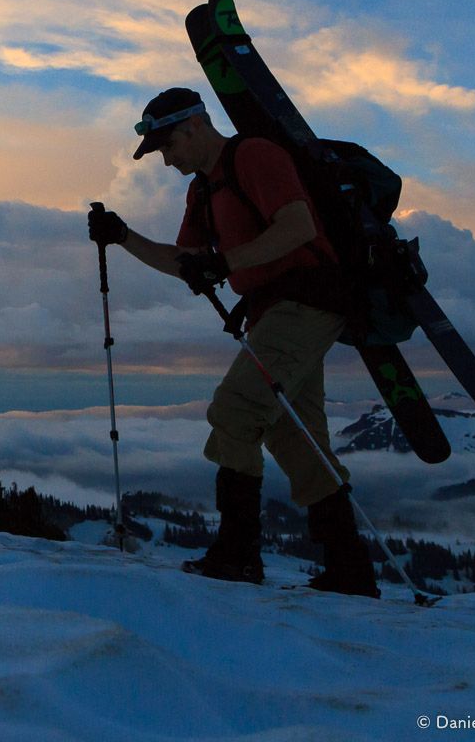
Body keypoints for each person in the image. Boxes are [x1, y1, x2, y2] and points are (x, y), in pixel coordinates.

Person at [87, 87, 378, 597]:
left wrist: (225, 262)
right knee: (292, 434)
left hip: (307, 301)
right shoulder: (203, 191)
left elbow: (298, 226)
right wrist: (122, 235)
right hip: (274, 312)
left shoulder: (255, 156)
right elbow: (186, 262)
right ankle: (350, 570)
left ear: (195, 126)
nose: (167, 160)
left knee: (236, 410)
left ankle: (239, 556)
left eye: (168, 146)